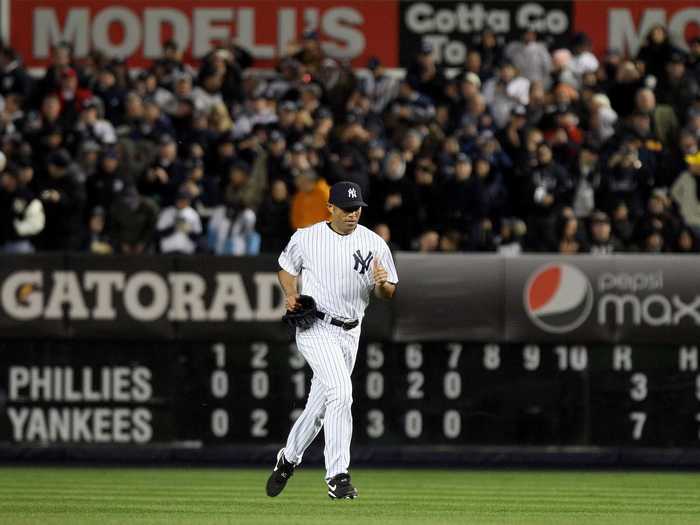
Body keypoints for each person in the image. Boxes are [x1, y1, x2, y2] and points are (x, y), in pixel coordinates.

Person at [267, 181, 398, 500]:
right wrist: (291, 293)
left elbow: (388, 292)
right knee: (341, 392)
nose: (354, 214)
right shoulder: (307, 237)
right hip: (315, 326)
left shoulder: (374, 243)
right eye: (347, 209)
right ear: (331, 208)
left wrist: (382, 285)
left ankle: (288, 458)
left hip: (351, 331)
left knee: (321, 407)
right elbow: (285, 268)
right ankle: (338, 475)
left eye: (358, 209)